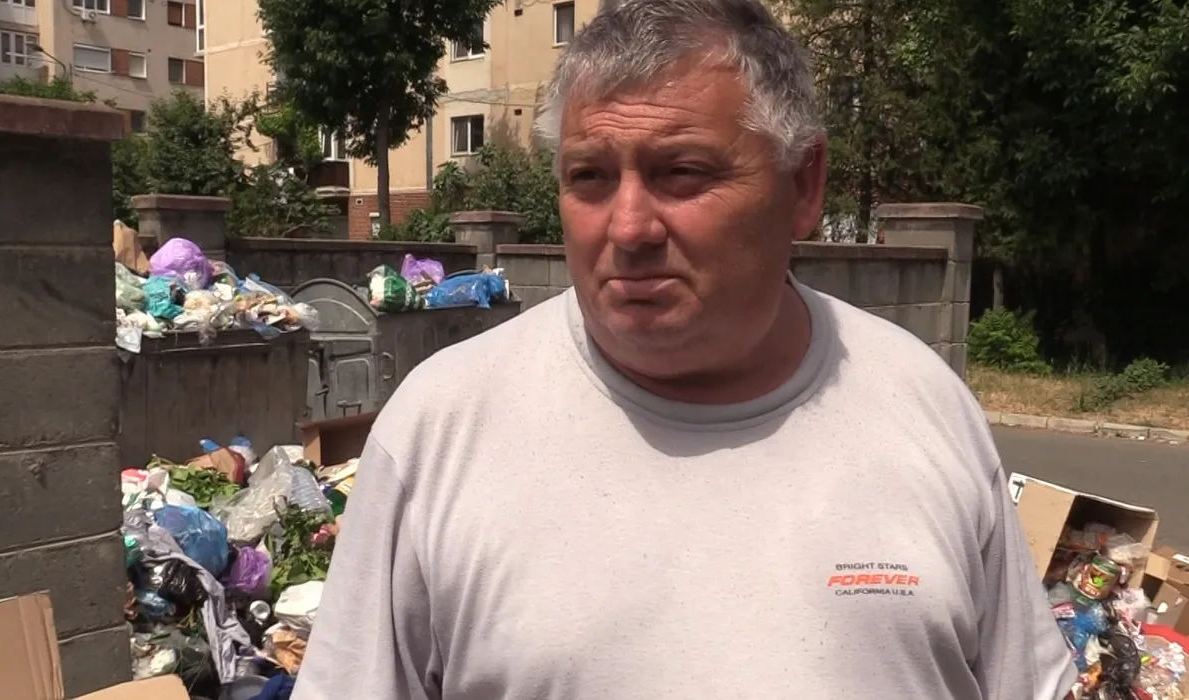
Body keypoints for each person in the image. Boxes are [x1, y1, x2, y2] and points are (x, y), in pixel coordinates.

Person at [293, 0, 1076, 698]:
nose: (629, 227)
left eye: (682, 172)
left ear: (803, 184)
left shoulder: (923, 405)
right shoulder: (439, 431)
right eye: (589, 176)